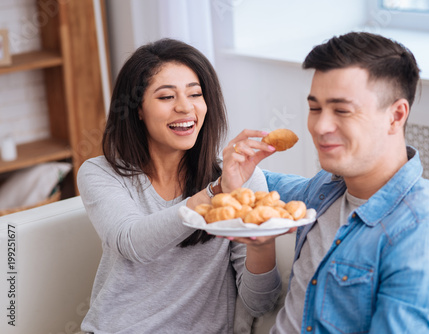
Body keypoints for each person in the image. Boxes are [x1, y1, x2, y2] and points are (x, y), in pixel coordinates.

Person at [247, 32, 429, 333]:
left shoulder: (422, 241)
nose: (320, 126)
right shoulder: (327, 190)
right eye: (315, 108)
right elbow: (268, 187)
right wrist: (235, 171)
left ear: (396, 115)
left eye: (342, 110)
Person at [76, 38, 282, 333]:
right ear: (138, 109)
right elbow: (133, 243)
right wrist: (216, 193)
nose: (185, 108)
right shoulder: (101, 173)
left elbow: (259, 304)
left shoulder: (243, 179)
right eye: (166, 97)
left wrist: (263, 243)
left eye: (195, 94)